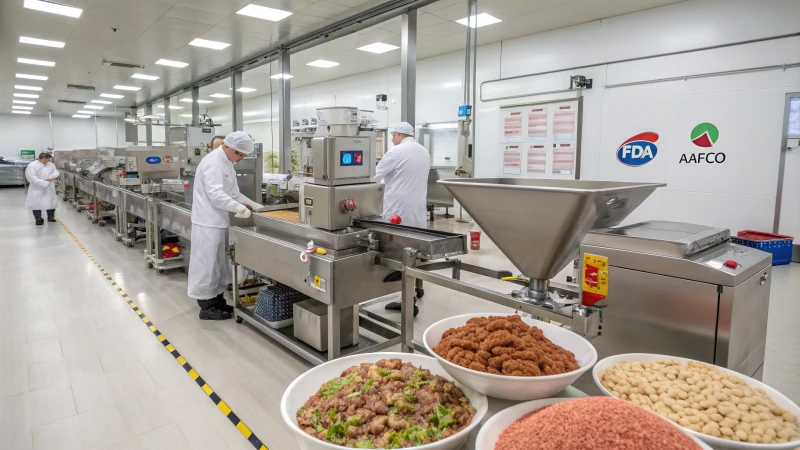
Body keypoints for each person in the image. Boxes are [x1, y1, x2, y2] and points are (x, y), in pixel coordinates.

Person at [188, 131, 264, 320]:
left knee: (219, 265)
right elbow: (216, 195)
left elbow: (233, 193)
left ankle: (218, 301)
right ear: (229, 147)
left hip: (219, 221)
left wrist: (257, 207)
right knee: (207, 264)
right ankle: (206, 307)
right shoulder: (213, 162)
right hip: (207, 222)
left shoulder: (227, 162)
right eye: (240, 155)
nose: (241, 159)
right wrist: (238, 208)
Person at [375, 122, 430, 315]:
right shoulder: (424, 151)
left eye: (393, 135)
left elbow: (374, 176)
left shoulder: (396, 152)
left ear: (399, 135)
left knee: (399, 254)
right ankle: (414, 288)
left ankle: (406, 300)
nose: (392, 139)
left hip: (398, 211)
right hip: (416, 211)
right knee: (413, 250)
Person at [24, 152, 59, 225]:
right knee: (36, 203)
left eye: (48, 159)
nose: (47, 161)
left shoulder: (51, 164)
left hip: (49, 187)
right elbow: (32, 178)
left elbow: (56, 172)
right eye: (46, 159)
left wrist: (51, 177)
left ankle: (50, 217)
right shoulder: (32, 165)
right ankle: (38, 219)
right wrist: (44, 182)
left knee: (51, 202)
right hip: (37, 187)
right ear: (40, 158)